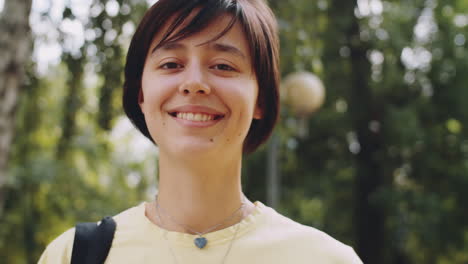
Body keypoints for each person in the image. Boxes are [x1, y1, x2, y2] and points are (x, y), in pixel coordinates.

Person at [38, 0, 363, 263]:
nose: (194, 82)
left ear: (260, 99)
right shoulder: (73, 255)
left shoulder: (324, 258)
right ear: (141, 94)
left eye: (223, 66)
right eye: (171, 64)